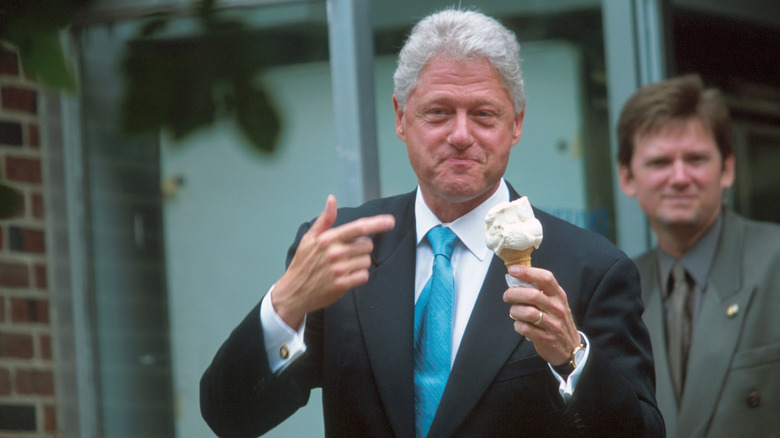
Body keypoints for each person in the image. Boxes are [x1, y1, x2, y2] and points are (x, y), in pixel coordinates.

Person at [201, 9, 663, 438]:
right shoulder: (344, 250)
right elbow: (230, 417)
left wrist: (572, 358)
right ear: (402, 118)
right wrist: (283, 307)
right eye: (438, 112)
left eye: (483, 114)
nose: (461, 136)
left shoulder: (591, 268)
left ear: (516, 123)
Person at [617, 74, 780, 438]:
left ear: (727, 169)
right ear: (627, 177)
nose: (679, 177)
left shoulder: (776, 262)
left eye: (695, 159)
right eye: (659, 162)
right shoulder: (620, 288)